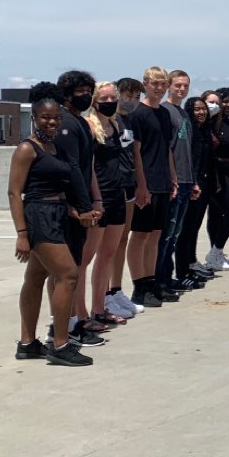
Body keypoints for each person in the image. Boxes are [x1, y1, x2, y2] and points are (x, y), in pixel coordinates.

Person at [10, 82, 96, 366]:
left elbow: (58, 185)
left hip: (58, 214)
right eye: (46, 117)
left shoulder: (54, 146)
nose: (52, 122)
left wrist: (74, 210)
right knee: (68, 275)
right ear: (34, 117)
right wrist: (22, 234)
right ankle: (60, 345)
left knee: (36, 278)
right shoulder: (27, 148)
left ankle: (27, 344)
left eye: (56, 118)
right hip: (39, 217)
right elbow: (14, 192)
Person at [52, 70, 105, 345]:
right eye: (80, 91)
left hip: (83, 205)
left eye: (88, 91)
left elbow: (87, 167)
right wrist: (80, 205)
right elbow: (68, 168)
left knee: (71, 268)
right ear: (67, 93)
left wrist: (95, 200)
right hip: (65, 210)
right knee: (66, 272)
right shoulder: (65, 123)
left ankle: (67, 323)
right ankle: (62, 328)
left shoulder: (82, 123)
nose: (85, 96)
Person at [127, 67, 178, 306]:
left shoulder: (165, 114)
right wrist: (141, 185)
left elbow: (167, 148)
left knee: (156, 235)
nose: (159, 88)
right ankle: (139, 286)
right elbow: (136, 151)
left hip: (163, 182)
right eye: (154, 83)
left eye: (162, 84)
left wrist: (173, 178)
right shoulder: (137, 113)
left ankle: (151, 281)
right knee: (140, 235)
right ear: (145, 84)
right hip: (145, 182)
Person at [81, 82, 129, 327]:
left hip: (117, 194)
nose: (110, 101)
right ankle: (81, 315)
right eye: (105, 97)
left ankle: (99, 308)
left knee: (108, 254)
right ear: (94, 99)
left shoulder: (115, 123)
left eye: (113, 97)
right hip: (97, 197)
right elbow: (86, 165)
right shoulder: (89, 126)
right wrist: (93, 199)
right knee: (86, 258)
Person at [104, 77, 145, 317]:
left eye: (136, 97)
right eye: (127, 95)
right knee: (107, 244)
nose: (131, 101)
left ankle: (116, 290)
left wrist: (141, 184)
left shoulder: (132, 121)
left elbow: (136, 154)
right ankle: (104, 295)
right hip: (111, 185)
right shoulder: (108, 120)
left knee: (122, 240)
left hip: (129, 184)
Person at [156, 70, 195, 291]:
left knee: (175, 234)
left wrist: (193, 180)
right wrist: (172, 179)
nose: (181, 89)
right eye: (178, 85)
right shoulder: (165, 112)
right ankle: (158, 279)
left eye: (185, 85)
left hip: (187, 179)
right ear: (169, 86)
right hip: (174, 181)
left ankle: (167, 276)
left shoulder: (184, 113)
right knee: (166, 233)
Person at [174, 96, 213, 287]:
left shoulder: (204, 131)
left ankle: (190, 266)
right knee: (185, 230)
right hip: (191, 184)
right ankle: (182, 272)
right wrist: (194, 182)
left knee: (193, 229)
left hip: (202, 184)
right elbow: (190, 160)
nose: (201, 112)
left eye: (203, 109)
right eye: (197, 109)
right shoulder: (190, 130)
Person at [206, 87, 229, 270]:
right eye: (224, 101)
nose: (228, 105)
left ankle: (216, 253)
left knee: (217, 213)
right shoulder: (211, 125)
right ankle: (215, 251)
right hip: (217, 173)